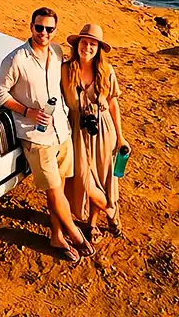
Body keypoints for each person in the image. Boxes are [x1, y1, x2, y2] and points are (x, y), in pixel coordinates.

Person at [0, 7, 96, 263]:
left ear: (55, 31)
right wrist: (27, 111)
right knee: (53, 189)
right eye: (39, 27)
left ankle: (56, 236)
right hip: (36, 138)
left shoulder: (58, 52)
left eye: (49, 29)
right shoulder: (16, 59)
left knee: (58, 188)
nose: (43, 33)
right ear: (31, 27)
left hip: (61, 131)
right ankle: (75, 233)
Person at [62, 24, 128, 242]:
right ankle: (112, 212)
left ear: (98, 48)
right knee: (84, 180)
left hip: (103, 130)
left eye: (92, 44)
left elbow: (113, 104)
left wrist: (120, 136)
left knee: (101, 178)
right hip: (77, 132)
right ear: (77, 44)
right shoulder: (65, 70)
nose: (87, 47)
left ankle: (92, 224)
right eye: (84, 42)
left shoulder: (107, 71)